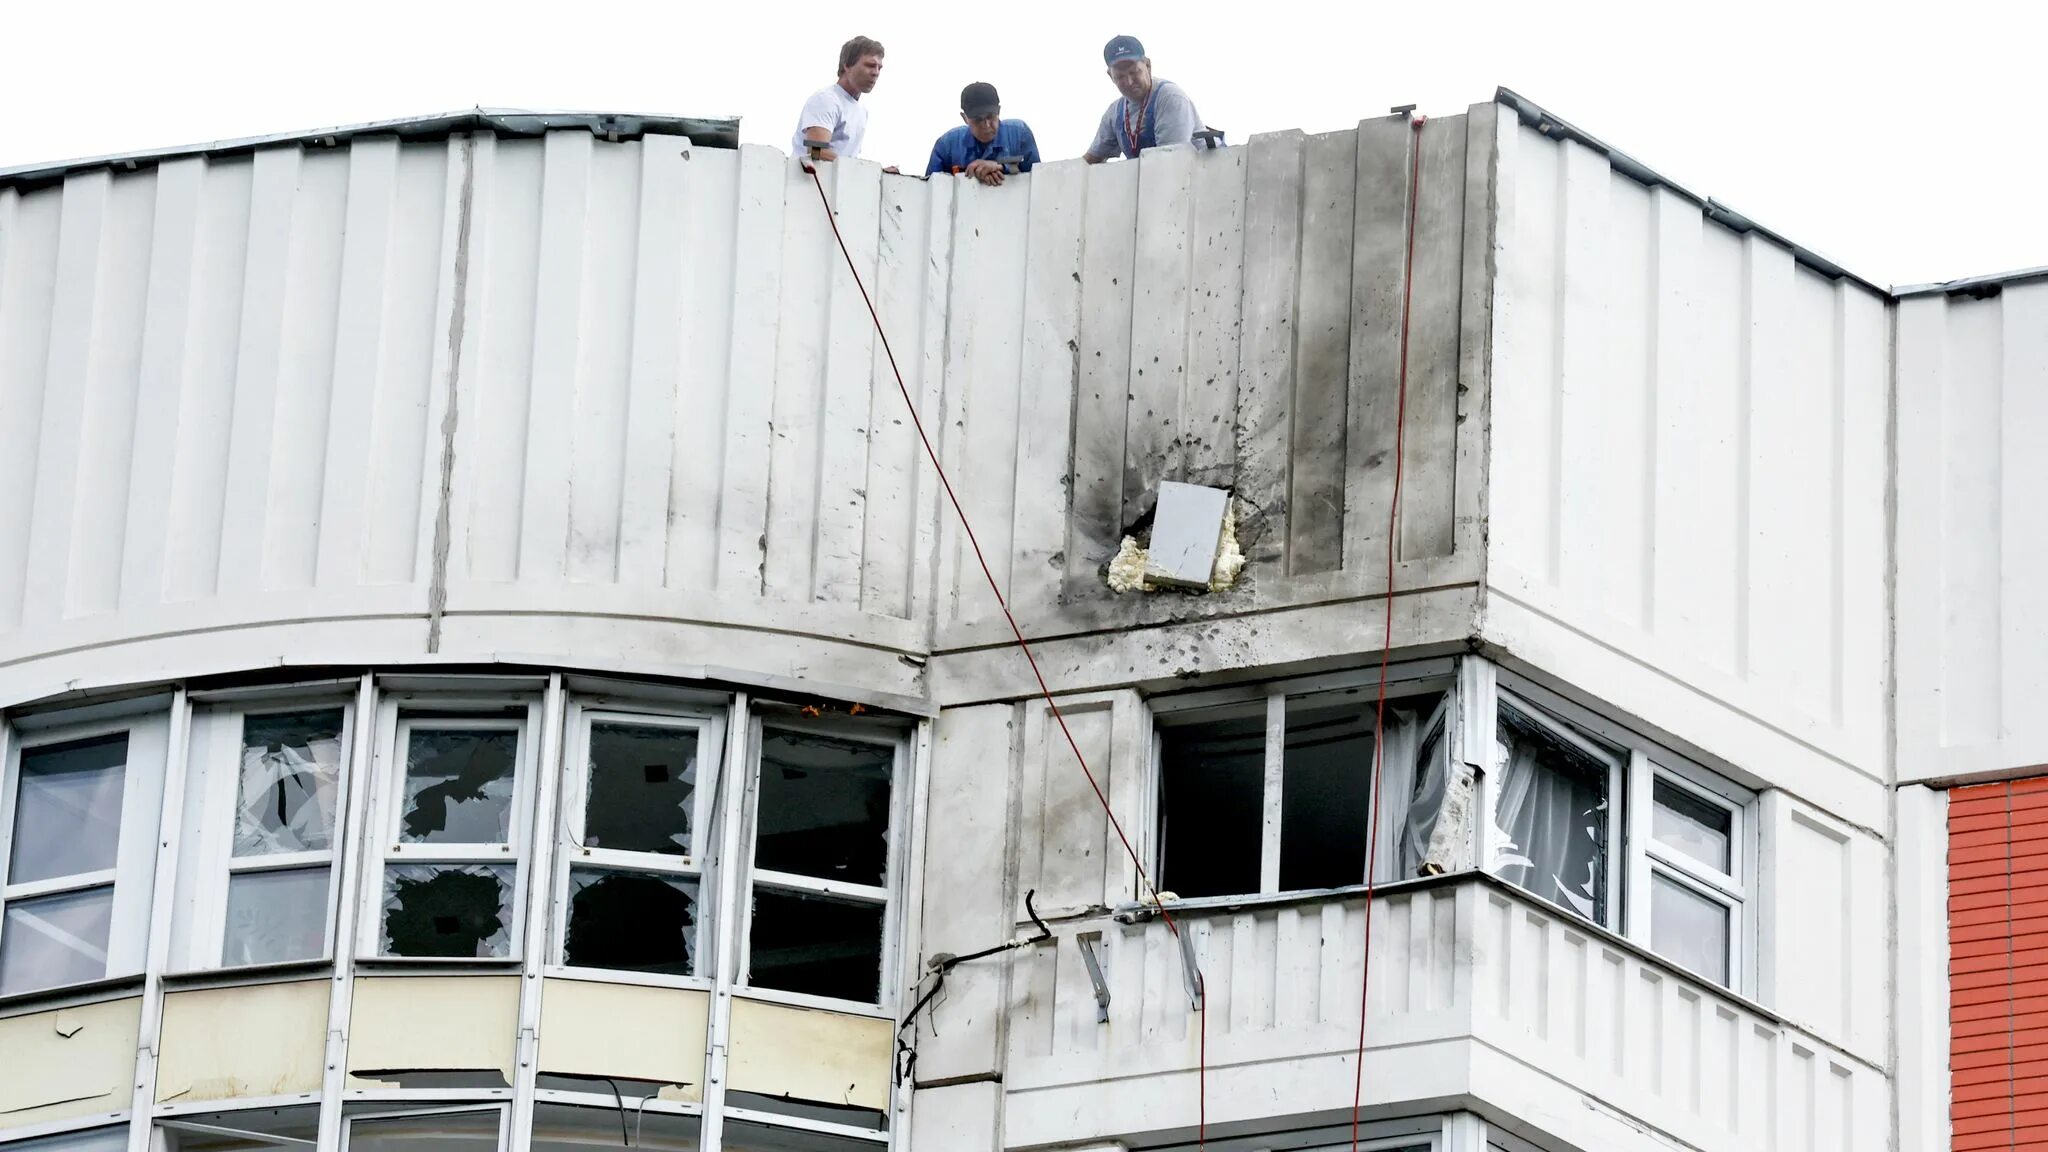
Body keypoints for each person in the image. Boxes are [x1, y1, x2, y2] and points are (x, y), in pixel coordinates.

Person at [1082, 35, 1201, 163]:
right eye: (1120, 77)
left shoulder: (1170, 98)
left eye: (1134, 72)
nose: (1129, 82)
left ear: (1148, 66)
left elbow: (1169, 161)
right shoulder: (1114, 113)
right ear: (1110, 76)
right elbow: (1091, 160)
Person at [924, 82, 1041, 185]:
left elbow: (1038, 177)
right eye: (978, 120)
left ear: (999, 111)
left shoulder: (1020, 134)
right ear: (965, 118)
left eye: (990, 116)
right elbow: (932, 188)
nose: (986, 125)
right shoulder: (946, 146)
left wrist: (1001, 166)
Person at [793, 36, 885, 163]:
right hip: (807, 181)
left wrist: (877, 173)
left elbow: (850, 161)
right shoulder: (826, 99)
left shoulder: (863, 111)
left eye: (879, 68)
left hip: (839, 181)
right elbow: (815, 151)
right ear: (847, 65)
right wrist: (864, 168)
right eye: (870, 65)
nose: (876, 72)